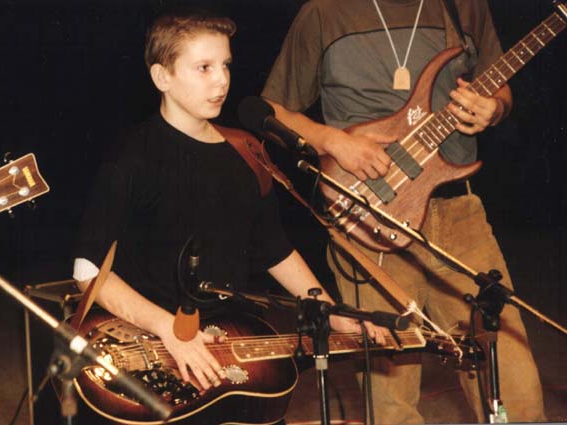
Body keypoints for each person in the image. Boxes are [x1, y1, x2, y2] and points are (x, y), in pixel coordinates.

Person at [72, 10, 370, 424]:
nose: (222, 81)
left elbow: (275, 249)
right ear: (162, 77)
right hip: (148, 347)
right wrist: (168, 329)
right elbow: (87, 270)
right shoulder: (132, 157)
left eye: (225, 65)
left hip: (226, 342)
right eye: (204, 68)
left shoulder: (243, 154)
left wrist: (331, 311)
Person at [261, 0, 545, 423]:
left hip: (458, 210)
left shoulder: (465, 6)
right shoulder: (324, 12)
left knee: (513, 380)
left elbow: (497, 84)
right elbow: (272, 110)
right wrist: (333, 141)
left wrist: (495, 107)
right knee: (389, 401)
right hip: (369, 216)